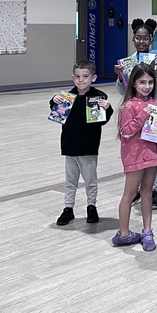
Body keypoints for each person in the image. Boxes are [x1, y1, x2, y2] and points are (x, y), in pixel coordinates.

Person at [115, 18, 157, 210]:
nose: (141, 41)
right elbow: (121, 91)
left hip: (154, 112)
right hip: (134, 112)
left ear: (151, 39)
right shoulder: (128, 62)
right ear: (133, 39)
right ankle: (136, 189)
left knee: (154, 150)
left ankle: (154, 191)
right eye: (138, 38)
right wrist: (120, 77)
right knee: (135, 151)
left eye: (145, 38)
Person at [113, 64, 157, 250]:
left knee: (147, 192)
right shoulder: (127, 106)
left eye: (150, 82)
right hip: (134, 156)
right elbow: (126, 131)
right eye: (142, 82)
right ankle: (124, 233)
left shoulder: (154, 104)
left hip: (152, 153)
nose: (147, 86)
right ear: (134, 84)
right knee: (129, 194)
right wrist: (144, 114)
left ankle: (147, 231)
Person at [50, 60, 113, 226]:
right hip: (70, 146)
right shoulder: (66, 98)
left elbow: (101, 122)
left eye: (85, 76)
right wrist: (54, 101)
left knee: (90, 181)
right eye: (77, 77)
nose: (81, 80)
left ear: (93, 78)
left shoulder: (98, 98)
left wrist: (108, 108)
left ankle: (91, 206)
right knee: (70, 181)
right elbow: (57, 114)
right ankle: (68, 208)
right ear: (72, 78)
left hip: (88, 147)